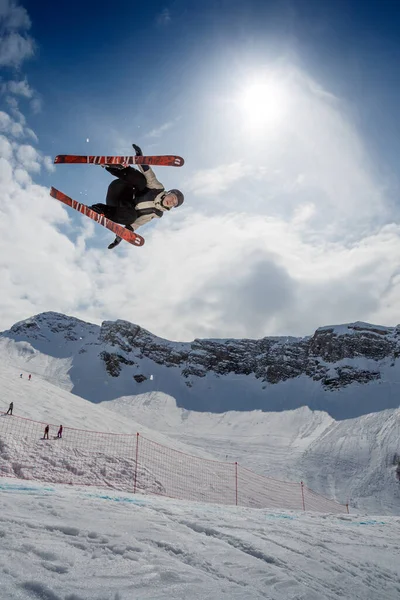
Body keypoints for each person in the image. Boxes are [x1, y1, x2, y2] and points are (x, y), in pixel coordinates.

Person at [90, 144, 184, 249]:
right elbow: (149, 174)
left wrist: (122, 234)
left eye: (174, 203)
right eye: (172, 197)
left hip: (115, 206)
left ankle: (99, 210)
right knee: (142, 182)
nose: (171, 201)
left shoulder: (156, 213)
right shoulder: (157, 188)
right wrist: (140, 158)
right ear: (168, 193)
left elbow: (137, 223)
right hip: (120, 188)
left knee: (131, 217)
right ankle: (113, 166)